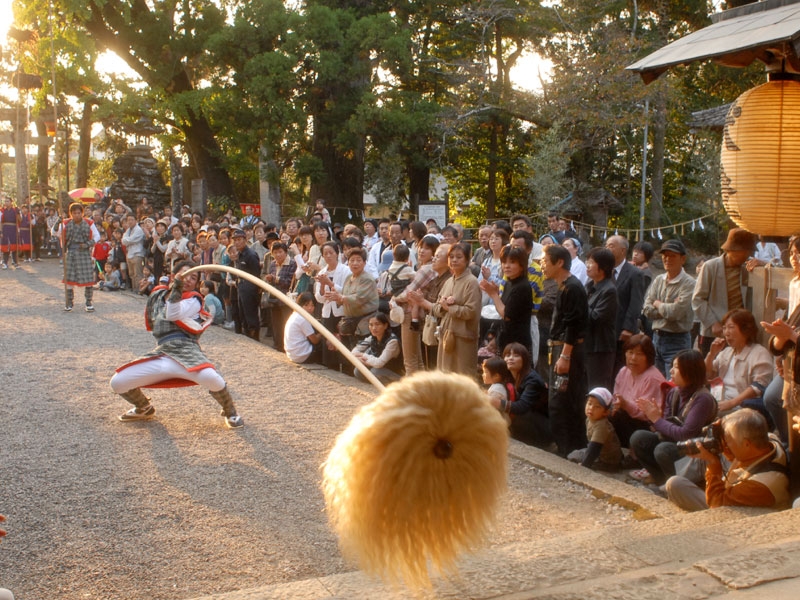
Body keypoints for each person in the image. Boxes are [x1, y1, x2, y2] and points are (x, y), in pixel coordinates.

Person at [110, 260, 244, 428]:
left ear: (196, 283)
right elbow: (154, 323)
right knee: (118, 382)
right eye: (185, 275)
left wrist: (177, 288)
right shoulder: (158, 295)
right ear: (174, 275)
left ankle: (231, 411)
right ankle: (143, 407)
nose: (188, 279)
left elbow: (171, 314)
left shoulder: (194, 299)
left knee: (212, 378)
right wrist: (173, 289)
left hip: (186, 350)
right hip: (163, 352)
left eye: (193, 277)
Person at [665, 409, 790, 511]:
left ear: (746, 444)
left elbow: (716, 504)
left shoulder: (761, 485)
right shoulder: (768, 440)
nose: (723, 445)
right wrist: (724, 425)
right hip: (738, 492)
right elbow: (735, 455)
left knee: (674, 485)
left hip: (741, 514)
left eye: (727, 440)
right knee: (676, 483)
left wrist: (713, 466)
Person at [630, 349, 717, 485]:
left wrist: (657, 420)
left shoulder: (703, 399)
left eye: (676, 367)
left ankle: (679, 486)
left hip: (695, 452)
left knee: (663, 450)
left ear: (690, 371)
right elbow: (664, 429)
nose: (671, 371)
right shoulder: (673, 392)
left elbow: (685, 435)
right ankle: (661, 481)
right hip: (674, 442)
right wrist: (655, 416)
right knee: (638, 438)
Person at [542, 244, 589, 456]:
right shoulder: (563, 285)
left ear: (559, 262)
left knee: (563, 400)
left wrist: (565, 356)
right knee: (559, 399)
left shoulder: (573, 287)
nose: (542, 265)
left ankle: (569, 448)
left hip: (567, 351)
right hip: (560, 349)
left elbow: (573, 324)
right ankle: (565, 446)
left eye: (545, 260)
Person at [692, 228, 756, 356]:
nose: (746, 256)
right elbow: (698, 299)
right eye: (742, 252)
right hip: (714, 331)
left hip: (740, 332)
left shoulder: (748, 268)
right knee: (711, 369)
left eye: (748, 252)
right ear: (730, 250)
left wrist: (763, 264)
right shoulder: (711, 267)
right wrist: (712, 322)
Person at [705, 309, 773, 419]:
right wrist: (711, 354)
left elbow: (758, 386)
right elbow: (707, 375)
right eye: (724, 328)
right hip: (719, 404)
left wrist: (732, 403)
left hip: (743, 410)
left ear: (746, 330)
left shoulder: (759, 353)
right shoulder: (726, 352)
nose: (726, 332)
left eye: (731, 327)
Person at [642, 239, 696, 378]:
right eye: (664, 255)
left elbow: (675, 313)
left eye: (672, 256)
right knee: (656, 382)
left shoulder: (689, 283)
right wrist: (667, 309)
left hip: (677, 340)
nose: (667, 259)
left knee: (675, 385)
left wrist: (658, 304)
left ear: (682, 259)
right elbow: (646, 309)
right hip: (656, 338)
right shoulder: (659, 279)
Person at [431, 242, 481, 376]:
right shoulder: (448, 281)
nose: (454, 260)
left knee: (462, 376)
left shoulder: (471, 282)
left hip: (463, 337)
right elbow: (435, 307)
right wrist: (443, 306)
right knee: (445, 374)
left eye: (459, 257)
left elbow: (471, 311)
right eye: (451, 256)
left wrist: (450, 308)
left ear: (466, 260)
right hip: (446, 333)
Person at [610, 334, 666, 447]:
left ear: (648, 356)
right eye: (630, 352)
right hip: (626, 419)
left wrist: (625, 405)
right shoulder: (624, 371)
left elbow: (647, 414)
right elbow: (615, 397)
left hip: (647, 425)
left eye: (639, 354)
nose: (633, 358)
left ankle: (633, 455)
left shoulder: (652, 378)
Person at [495, 342, 552, 447]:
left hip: (540, 425)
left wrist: (497, 402)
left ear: (524, 359)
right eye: (507, 355)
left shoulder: (532, 379)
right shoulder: (508, 377)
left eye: (516, 355)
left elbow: (522, 407)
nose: (510, 358)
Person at [479, 245, 533, 354]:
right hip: (506, 337)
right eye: (504, 262)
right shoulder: (509, 282)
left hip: (517, 342)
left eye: (512, 262)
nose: (506, 266)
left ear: (522, 265)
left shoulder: (522, 286)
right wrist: (496, 293)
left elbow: (507, 314)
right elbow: (504, 306)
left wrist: (493, 295)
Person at [605, 235, 646, 373]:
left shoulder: (635, 274)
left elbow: (636, 303)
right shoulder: (604, 271)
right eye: (606, 245)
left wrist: (628, 327)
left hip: (622, 329)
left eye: (611, 246)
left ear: (623, 250)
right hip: (605, 331)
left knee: (620, 369)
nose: (607, 249)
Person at [326, 247, 379, 350]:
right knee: (351, 352)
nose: (355, 263)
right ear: (348, 263)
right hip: (350, 321)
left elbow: (359, 298)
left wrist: (341, 297)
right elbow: (345, 296)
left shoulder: (367, 279)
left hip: (365, 322)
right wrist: (336, 297)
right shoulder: (348, 278)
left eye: (359, 260)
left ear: (364, 263)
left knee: (363, 352)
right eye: (352, 260)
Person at [584, 247, 618, 390]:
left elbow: (596, 318)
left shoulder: (609, 290)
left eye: (591, 262)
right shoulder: (589, 286)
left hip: (600, 348)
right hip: (586, 345)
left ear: (603, 267)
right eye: (588, 261)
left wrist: (579, 302)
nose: (587, 265)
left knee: (597, 388)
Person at [314, 241, 351, 370]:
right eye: (325, 254)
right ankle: (332, 370)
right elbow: (319, 298)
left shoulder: (345, 270)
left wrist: (330, 283)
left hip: (341, 312)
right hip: (327, 312)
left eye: (331, 252)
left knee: (343, 345)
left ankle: (347, 372)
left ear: (337, 253)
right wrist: (323, 284)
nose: (328, 256)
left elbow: (347, 291)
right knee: (329, 346)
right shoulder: (322, 272)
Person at [568, 387, 623, 471]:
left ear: (606, 412)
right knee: (574, 454)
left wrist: (585, 465)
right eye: (589, 403)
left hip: (607, 460)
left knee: (572, 457)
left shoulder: (601, 426)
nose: (591, 408)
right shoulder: (590, 419)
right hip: (600, 452)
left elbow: (594, 448)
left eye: (597, 407)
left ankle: (607, 466)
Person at [61, 203, 100, 312]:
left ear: (82, 213)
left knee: (88, 278)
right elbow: (55, 233)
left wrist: (88, 244)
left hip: (84, 253)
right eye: (74, 213)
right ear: (71, 214)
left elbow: (97, 236)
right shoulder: (66, 223)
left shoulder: (89, 223)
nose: (77, 215)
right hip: (71, 253)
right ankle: (69, 302)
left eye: (79, 213)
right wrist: (57, 223)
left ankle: (88, 302)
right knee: (69, 279)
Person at [352, 312, 403, 384]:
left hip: (393, 373)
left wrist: (363, 355)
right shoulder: (372, 337)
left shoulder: (392, 341)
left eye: (377, 324)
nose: (374, 328)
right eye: (371, 325)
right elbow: (355, 350)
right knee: (358, 371)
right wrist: (358, 358)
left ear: (385, 325)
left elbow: (379, 363)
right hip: (377, 368)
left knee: (375, 372)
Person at [231, 228, 262, 340]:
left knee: (251, 316)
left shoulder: (251, 255)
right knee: (242, 315)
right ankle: (248, 337)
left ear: (245, 240)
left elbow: (256, 274)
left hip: (250, 289)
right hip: (240, 287)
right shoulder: (239, 254)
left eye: (239, 239)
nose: (237, 242)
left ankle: (254, 338)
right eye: (235, 240)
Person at [264, 241, 295, 352]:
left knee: (286, 323)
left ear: (286, 252)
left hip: (286, 298)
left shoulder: (292, 263)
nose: (278, 255)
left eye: (280, 252)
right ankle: (278, 344)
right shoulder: (272, 264)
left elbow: (290, 282)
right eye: (275, 252)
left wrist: (275, 279)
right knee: (276, 323)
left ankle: (287, 347)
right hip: (274, 297)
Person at [284, 292, 322, 364]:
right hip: (301, 356)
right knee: (323, 345)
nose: (310, 308)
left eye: (312, 305)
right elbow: (315, 340)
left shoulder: (294, 315)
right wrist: (322, 334)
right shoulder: (302, 319)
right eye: (306, 305)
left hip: (292, 354)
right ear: (300, 305)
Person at [121, 214, 146, 291]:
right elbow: (123, 241)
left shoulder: (138, 230)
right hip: (129, 254)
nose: (130, 221)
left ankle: (139, 290)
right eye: (128, 220)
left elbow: (130, 240)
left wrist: (126, 240)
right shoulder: (128, 230)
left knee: (138, 274)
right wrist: (126, 240)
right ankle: (134, 289)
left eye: (132, 220)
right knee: (131, 274)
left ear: (136, 221)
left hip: (137, 254)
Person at [1, 196, 20, 268]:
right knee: (6, 246)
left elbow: (20, 220)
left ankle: (15, 262)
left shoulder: (15, 210)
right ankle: (5, 262)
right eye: (5, 201)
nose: (6, 202)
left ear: (11, 202)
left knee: (14, 245)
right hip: (5, 229)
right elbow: (1, 222)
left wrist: (18, 214)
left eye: (8, 201)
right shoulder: (3, 211)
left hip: (13, 229)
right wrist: (1, 231)